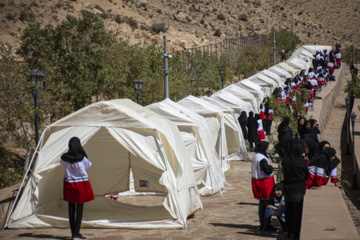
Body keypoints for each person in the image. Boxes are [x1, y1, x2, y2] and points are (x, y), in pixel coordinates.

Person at [61, 137, 94, 240]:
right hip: (81, 184)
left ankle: (73, 233)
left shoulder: (64, 158)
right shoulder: (82, 158)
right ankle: (77, 233)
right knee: (79, 209)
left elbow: (62, 165)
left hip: (69, 184)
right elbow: (88, 166)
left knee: (71, 208)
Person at [282, 139, 309, 240]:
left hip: (288, 189)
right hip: (298, 190)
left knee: (288, 212)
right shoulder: (301, 163)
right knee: (297, 214)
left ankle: (289, 233)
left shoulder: (285, 161)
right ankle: (295, 235)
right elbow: (306, 175)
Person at [251, 141, 277, 232]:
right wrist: (270, 165)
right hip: (265, 183)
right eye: (267, 148)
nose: (268, 149)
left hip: (258, 182)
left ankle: (262, 223)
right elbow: (267, 170)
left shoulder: (256, 157)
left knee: (262, 204)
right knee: (268, 204)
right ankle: (266, 224)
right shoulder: (262, 159)